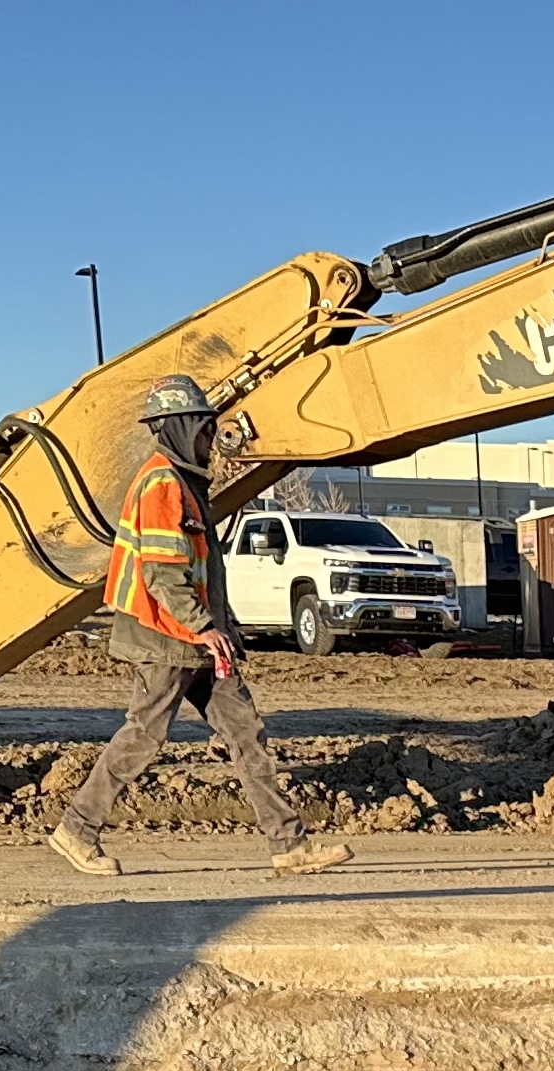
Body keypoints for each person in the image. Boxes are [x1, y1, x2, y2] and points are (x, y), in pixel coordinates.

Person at [49, 373, 351, 881]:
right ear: (182, 427)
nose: (213, 439)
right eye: (207, 429)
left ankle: (289, 845)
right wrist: (205, 628)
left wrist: (220, 631)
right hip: (165, 635)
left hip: (199, 637)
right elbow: (164, 573)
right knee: (144, 734)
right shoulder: (163, 482)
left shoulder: (187, 483)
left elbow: (203, 570)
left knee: (246, 733)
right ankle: (77, 829)